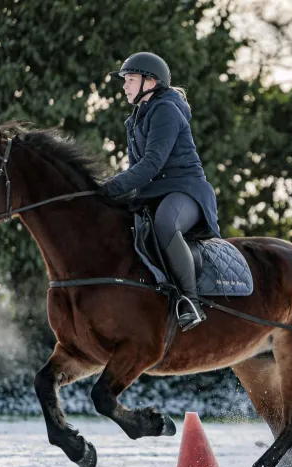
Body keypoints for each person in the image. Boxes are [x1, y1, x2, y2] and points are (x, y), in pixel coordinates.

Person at [100, 52, 221, 332]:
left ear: (150, 82)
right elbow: (137, 170)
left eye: (130, 79)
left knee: (165, 223)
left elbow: (151, 164)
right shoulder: (133, 121)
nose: (125, 86)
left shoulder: (166, 110)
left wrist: (111, 187)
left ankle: (190, 301)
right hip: (154, 193)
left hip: (185, 191)